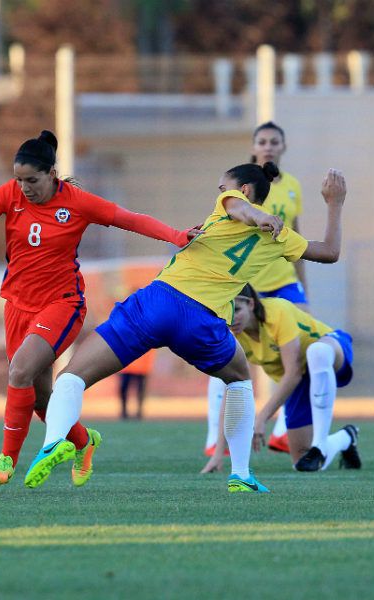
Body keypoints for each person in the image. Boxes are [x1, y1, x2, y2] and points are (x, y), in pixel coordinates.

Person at [24, 163, 345, 494]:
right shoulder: (281, 238)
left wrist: (256, 215)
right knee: (238, 379)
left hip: (159, 302)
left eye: (223, 188)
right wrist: (335, 202)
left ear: (243, 189)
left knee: (72, 377)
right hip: (202, 321)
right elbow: (329, 252)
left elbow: (241, 209)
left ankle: (53, 442)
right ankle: (241, 474)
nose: (221, 194)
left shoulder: (234, 202)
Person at [0, 130, 195, 486]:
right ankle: (84, 441)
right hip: (17, 304)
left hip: (61, 304)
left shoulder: (77, 202)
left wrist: (176, 236)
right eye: (19, 179)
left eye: (31, 180)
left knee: (18, 372)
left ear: (51, 174)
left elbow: (131, 219)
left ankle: (6, 460)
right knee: (39, 396)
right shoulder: (10, 194)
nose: (24, 187)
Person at [206, 122, 305, 456]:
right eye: (262, 141)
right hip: (247, 286)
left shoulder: (292, 186)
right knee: (222, 355)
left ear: (283, 146)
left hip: (284, 281)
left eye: (275, 141)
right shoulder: (242, 187)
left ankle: (281, 431)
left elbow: (297, 235)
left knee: (300, 351)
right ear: (253, 145)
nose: (268, 146)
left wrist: (302, 285)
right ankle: (214, 440)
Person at [202, 284, 360, 473]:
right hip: (301, 380)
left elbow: (292, 372)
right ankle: (346, 438)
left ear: (251, 304)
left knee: (317, 352)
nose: (232, 318)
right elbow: (232, 391)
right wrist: (218, 454)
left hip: (331, 350)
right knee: (304, 464)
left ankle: (319, 443)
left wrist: (261, 418)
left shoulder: (277, 311)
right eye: (226, 312)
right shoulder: (233, 337)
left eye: (237, 310)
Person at [118, 349, 155, 420]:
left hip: (141, 367)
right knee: (124, 389)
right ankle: (124, 412)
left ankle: (139, 412)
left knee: (140, 390)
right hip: (127, 366)